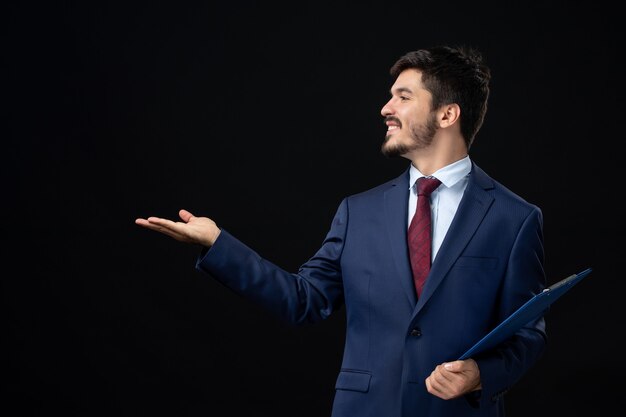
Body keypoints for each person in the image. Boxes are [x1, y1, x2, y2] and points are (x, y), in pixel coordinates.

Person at [135, 45, 546, 417]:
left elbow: (527, 334)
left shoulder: (514, 218)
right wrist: (218, 244)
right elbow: (303, 300)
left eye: (403, 97)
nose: (386, 108)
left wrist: (479, 374)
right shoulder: (357, 212)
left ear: (447, 114)